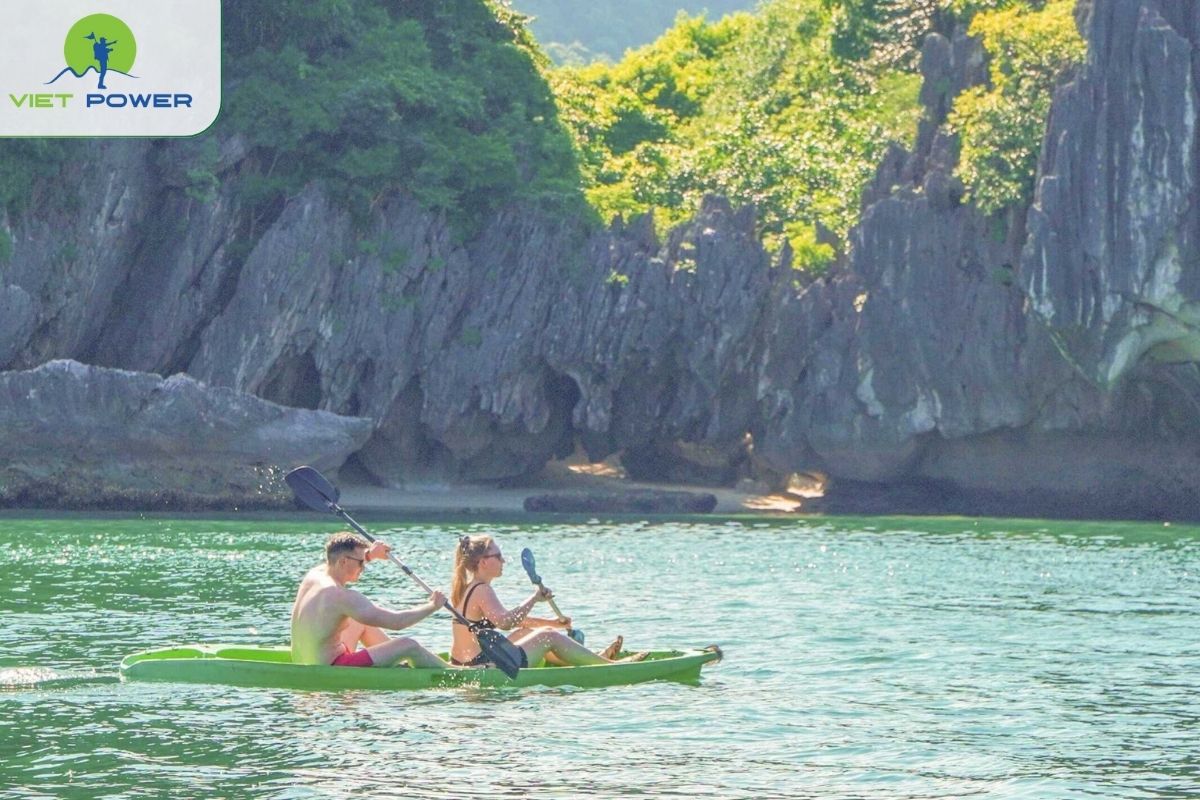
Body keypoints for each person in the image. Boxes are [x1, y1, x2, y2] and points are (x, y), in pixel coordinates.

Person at [449, 535, 647, 668]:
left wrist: (552, 623)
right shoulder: (482, 590)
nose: (503, 561)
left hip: (467, 663)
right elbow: (505, 622)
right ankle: (608, 667)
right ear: (483, 562)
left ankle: (588, 660)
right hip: (481, 667)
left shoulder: (471, 587)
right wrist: (534, 599)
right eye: (498, 557)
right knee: (548, 637)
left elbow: (515, 621)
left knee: (528, 633)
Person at [291, 531, 449, 668]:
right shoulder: (342, 596)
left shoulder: (314, 575)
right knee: (409, 645)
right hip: (334, 667)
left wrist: (369, 555)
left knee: (359, 621)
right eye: (360, 562)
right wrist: (433, 606)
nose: (363, 567)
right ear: (343, 562)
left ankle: (396, 661)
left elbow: (340, 561)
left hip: (306, 659)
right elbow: (397, 622)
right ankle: (452, 671)